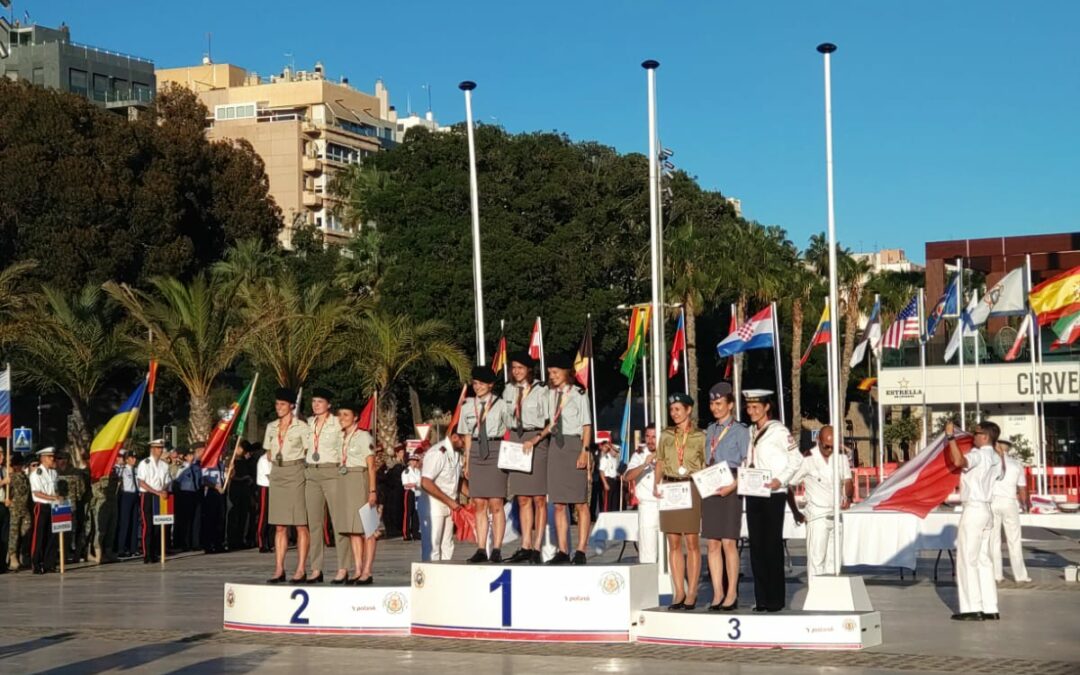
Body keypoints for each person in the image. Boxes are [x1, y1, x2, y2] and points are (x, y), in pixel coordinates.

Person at [743, 389, 802, 613]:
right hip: (754, 491)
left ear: (767, 407)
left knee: (772, 545)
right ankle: (761, 599)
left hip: (773, 493)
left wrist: (781, 480)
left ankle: (775, 599)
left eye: (756, 407)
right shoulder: (750, 431)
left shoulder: (778, 431)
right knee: (756, 547)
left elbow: (796, 459)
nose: (752, 411)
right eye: (749, 407)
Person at [653, 393, 706, 610]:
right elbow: (660, 461)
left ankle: (692, 591)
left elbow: (706, 463)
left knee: (691, 542)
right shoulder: (666, 435)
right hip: (670, 486)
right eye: (672, 410)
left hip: (690, 486)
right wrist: (656, 484)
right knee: (673, 542)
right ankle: (679, 591)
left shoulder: (700, 436)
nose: (674, 413)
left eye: (678, 409)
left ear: (688, 410)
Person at [946, 420, 1002, 620]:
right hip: (987, 508)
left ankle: (972, 607)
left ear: (985, 436)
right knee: (984, 560)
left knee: (967, 559)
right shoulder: (996, 458)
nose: (973, 436)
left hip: (975, 508)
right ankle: (990, 606)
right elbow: (1000, 474)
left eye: (977, 433)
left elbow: (960, 462)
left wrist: (951, 437)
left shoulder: (978, 455)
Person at [701, 382, 750, 611]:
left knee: (729, 542)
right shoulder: (710, 430)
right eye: (712, 403)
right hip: (711, 482)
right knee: (712, 542)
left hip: (731, 482)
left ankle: (732, 592)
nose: (715, 407)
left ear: (730, 404)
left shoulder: (741, 430)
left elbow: (747, 464)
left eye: (719, 403)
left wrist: (733, 486)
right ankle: (717, 592)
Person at [540, 355, 592, 565]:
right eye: (550, 373)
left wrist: (584, 451)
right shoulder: (549, 395)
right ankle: (563, 550)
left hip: (573, 445)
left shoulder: (580, 394)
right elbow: (548, 422)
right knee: (559, 503)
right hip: (556, 446)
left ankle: (580, 549)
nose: (552, 376)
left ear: (566, 372)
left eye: (555, 372)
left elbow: (587, 426)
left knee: (580, 502)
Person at [459, 365, 510, 563]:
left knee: (496, 502)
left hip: (496, 449)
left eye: (481, 383)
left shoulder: (501, 404)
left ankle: (497, 548)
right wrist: (467, 461)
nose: (477, 387)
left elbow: (511, 427)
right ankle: (481, 548)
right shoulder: (466, 407)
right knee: (479, 503)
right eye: (475, 383)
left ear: (491, 384)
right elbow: (467, 436)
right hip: (476, 453)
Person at [502, 352, 549, 565]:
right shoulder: (509, 389)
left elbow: (552, 420)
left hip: (536, 439)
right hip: (516, 438)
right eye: (513, 368)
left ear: (529, 369)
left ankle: (537, 547)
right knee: (522, 497)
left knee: (538, 497)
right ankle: (525, 544)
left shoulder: (542, 390)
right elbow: (504, 416)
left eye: (520, 368)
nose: (516, 371)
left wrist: (537, 439)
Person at [788, 426, 853, 578]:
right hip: (817, 516)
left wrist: (848, 497)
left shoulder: (841, 457)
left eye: (833, 446)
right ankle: (816, 597)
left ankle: (832, 597)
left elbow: (848, 480)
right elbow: (789, 485)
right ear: (819, 441)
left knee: (835, 563)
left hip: (836, 515)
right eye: (826, 446)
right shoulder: (808, 459)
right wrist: (796, 511)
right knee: (817, 561)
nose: (830, 450)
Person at [265, 388, 311, 584]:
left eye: (282, 404)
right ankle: (279, 568)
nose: (278, 408)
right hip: (277, 472)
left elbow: (309, 450)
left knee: (300, 523)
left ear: (292, 406)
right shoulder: (271, 427)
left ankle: (301, 568)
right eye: (277, 404)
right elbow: (268, 451)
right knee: (280, 525)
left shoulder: (302, 427)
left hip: (296, 470)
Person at [303, 388, 345, 584]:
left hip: (332, 471)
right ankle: (316, 568)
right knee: (315, 524)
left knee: (338, 522)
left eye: (320, 401)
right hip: (312, 472)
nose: (316, 405)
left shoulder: (337, 423)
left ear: (329, 405)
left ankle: (343, 567)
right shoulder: (309, 423)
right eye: (313, 401)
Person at [335, 401, 378, 585]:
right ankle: (358, 568)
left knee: (367, 528)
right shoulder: (340, 437)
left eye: (346, 414)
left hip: (360, 479)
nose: (342, 418)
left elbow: (371, 466)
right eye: (340, 415)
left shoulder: (364, 436)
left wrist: (372, 490)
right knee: (352, 530)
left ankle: (368, 570)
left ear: (356, 417)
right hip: (344, 481)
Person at [990, 439, 1031, 583]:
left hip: (992, 502)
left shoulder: (991, 463)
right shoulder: (1016, 465)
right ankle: (1020, 575)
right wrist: (1024, 505)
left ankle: (996, 574)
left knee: (993, 540)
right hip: (1009, 502)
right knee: (1014, 540)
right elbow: (1022, 489)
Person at [420, 431, 464, 562]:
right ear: (455, 437)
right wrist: (450, 501)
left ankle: (445, 578)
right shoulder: (438, 453)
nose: (466, 443)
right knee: (433, 546)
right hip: (434, 504)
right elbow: (425, 482)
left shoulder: (457, 453)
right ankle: (430, 579)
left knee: (448, 545)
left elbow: (457, 481)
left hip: (450, 503)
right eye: (464, 439)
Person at [136, 439, 172, 564]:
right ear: (151, 449)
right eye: (157, 448)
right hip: (147, 495)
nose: (160, 450)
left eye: (161, 448)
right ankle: (147, 554)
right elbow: (141, 482)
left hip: (159, 495)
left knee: (158, 526)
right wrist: (156, 492)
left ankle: (155, 552)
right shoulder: (144, 463)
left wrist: (164, 490)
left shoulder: (164, 465)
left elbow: (167, 481)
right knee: (148, 525)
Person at [624, 439, 659, 564]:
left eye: (654, 436)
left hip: (666, 504)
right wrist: (644, 464)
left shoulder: (668, 450)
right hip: (648, 506)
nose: (651, 440)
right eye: (648, 436)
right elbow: (627, 476)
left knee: (669, 548)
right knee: (648, 549)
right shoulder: (639, 454)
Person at [29, 447, 62, 574]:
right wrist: (53, 497)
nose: (52, 459)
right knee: (39, 535)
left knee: (52, 535)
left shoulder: (53, 473)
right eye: (49, 457)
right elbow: (37, 493)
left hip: (53, 506)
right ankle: (36, 564)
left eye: (52, 456)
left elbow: (54, 489)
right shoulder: (37, 473)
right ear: (42, 458)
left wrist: (57, 497)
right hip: (41, 506)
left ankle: (49, 563)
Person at [174, 448, 201, 552]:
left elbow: (199, 480)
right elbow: (176, 482)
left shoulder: (196, 468)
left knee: (195, 519)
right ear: (185, 457)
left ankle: (195, 543)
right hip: (185, 494)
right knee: (186, 520)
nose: (191, 457)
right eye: (189, 455)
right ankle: (185, 543)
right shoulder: (181, 468)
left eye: (192, 455)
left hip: (195, 493)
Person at [7, 454, 31, 571]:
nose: (19, 467)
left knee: (26, 530)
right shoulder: (11, 477)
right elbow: (8, 492)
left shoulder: (25, 477)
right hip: (15, 508)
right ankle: (12, 557)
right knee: (14, 533)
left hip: (24, 508)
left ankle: (22, 554)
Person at [116, 451, 140, 558]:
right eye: (131, 458)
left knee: (135, 522)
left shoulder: (137, 470)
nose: (134, 460)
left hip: (135, 495)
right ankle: (121, 548)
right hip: (126, 495)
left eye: (135, 458)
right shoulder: (123, 470)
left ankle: (133, 548)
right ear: (126, 460)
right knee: (125, 522)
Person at [201, 451, 226, 554]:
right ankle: (208, 545)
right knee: (210, 520)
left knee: (220, 519)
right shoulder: (207, 464)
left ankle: (218, 543)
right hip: (211, 493)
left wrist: (232, 471)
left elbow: (226, 478)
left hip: (221, 494)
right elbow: (203, 480)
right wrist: (215, 487)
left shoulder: (222, 465)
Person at [401, 453, 422, 540]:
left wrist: (417, 485)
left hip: (417, 492)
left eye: (415, 460)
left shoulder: (418, 471)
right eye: (412, 460)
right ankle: (406, 533)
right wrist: (415, 484)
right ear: (409, 462)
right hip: (409, 492)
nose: (414, 462)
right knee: (408, 513)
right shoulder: (406, 471)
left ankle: (415, 533)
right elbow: (405, 484)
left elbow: (421, 482)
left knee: (415, 514)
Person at [255, 447, 272, 553]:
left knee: (271, 516)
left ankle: (269, 542)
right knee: (263, 515)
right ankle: (261, 542)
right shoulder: (264, 459)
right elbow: (270, 476)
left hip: (273, 488)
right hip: (265, 487)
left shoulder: (272, 460)